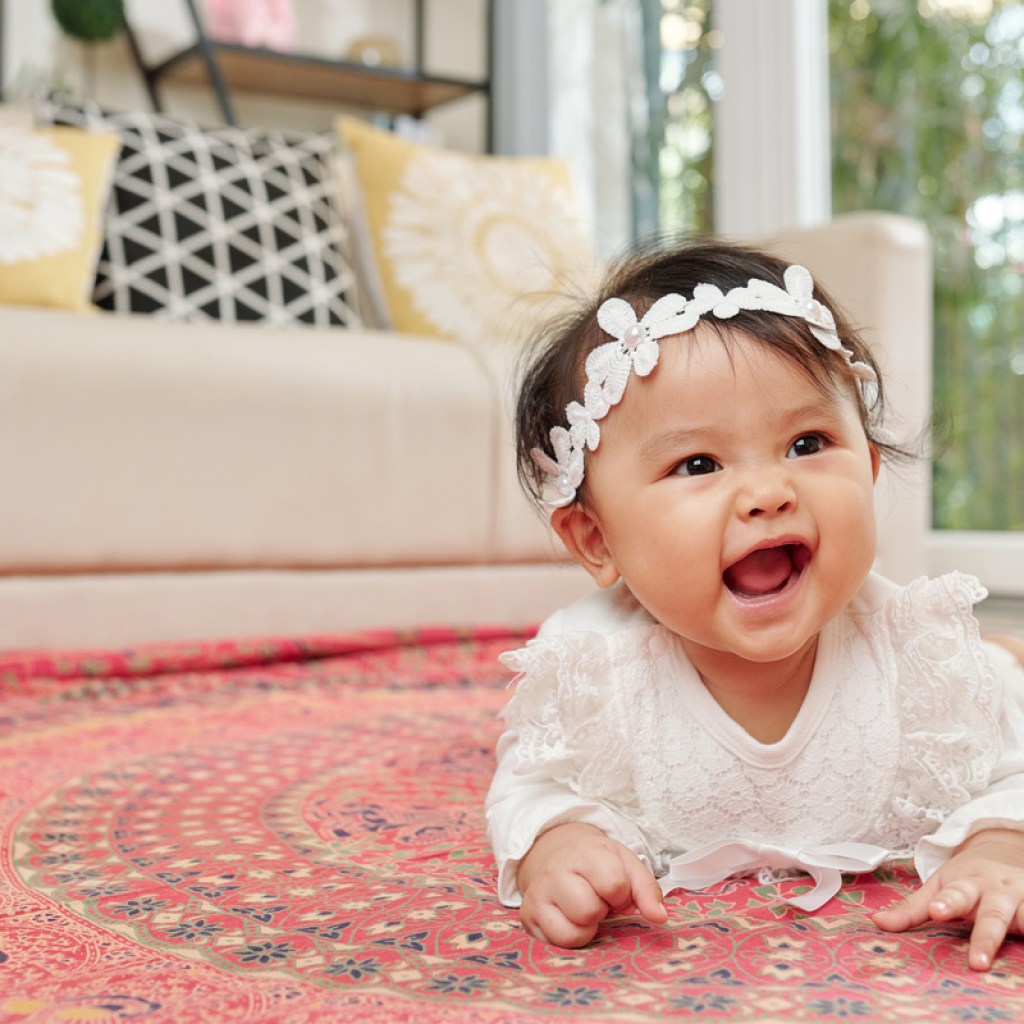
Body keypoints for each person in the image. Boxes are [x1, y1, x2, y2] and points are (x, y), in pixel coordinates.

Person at [485, 239, 1024, 972]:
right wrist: (560, 839)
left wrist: (998, 844)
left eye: (808, 442)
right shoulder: (596, 669)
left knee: (997, 675)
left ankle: (1005, 651)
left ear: (867, 466)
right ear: (595, 538)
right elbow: (534, 783)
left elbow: (1010, 765)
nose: (770, 492)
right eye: (698, 464)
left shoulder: (919, 660)